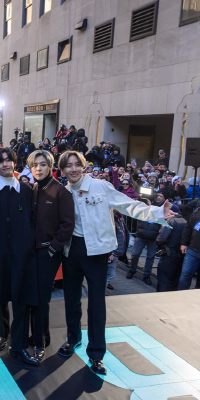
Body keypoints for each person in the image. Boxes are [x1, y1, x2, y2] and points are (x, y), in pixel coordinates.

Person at [57, 151, 177, 375]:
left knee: (96, 304)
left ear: (83, 166)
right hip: (71, 250)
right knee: (71, 299)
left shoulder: (101, 187)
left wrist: (158, 212)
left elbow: (129, 206)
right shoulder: (62, 192)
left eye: (76, 165)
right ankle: (72, 339)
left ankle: (96, 353)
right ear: (62, 170)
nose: (72, 169)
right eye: (68, 166)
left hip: (97, 252)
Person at [0, 147, 39, 366]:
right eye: (1, 161)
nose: (5, 164)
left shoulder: (26, 190)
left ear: (15, 163)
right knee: (0, 298)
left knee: (21, 299)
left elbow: (32, 220)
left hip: (22, 254)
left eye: (9, 160)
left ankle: (18, 344)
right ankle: (2, 333)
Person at [28, 150, 75, 360]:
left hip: (48, 253)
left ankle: (39, 344)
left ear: (51, 167)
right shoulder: (34, 190)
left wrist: (52, 249)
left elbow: (67, 225)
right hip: (34, 253)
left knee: (39, 299)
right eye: (35, 165)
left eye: (42, 164)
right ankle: (42, 336)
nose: (39, 168)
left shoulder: (61, 192)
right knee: (35, 298)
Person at [126, 192, 166, 286]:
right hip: (141, 235)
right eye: (157, 196)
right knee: (135, 254)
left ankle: (146, 275)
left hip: (153, 237)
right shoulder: (143, 207)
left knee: (150, 257)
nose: (158, 198)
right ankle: (132, 270)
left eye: (161, 196)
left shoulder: (162, 209)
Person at [156, 204, 185, 292]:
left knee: (164, 278)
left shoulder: (170, 221)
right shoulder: (185, 221)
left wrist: (158, 242)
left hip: (169, 253)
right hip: (180, 253)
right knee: (175, 278)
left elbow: (162, 238)